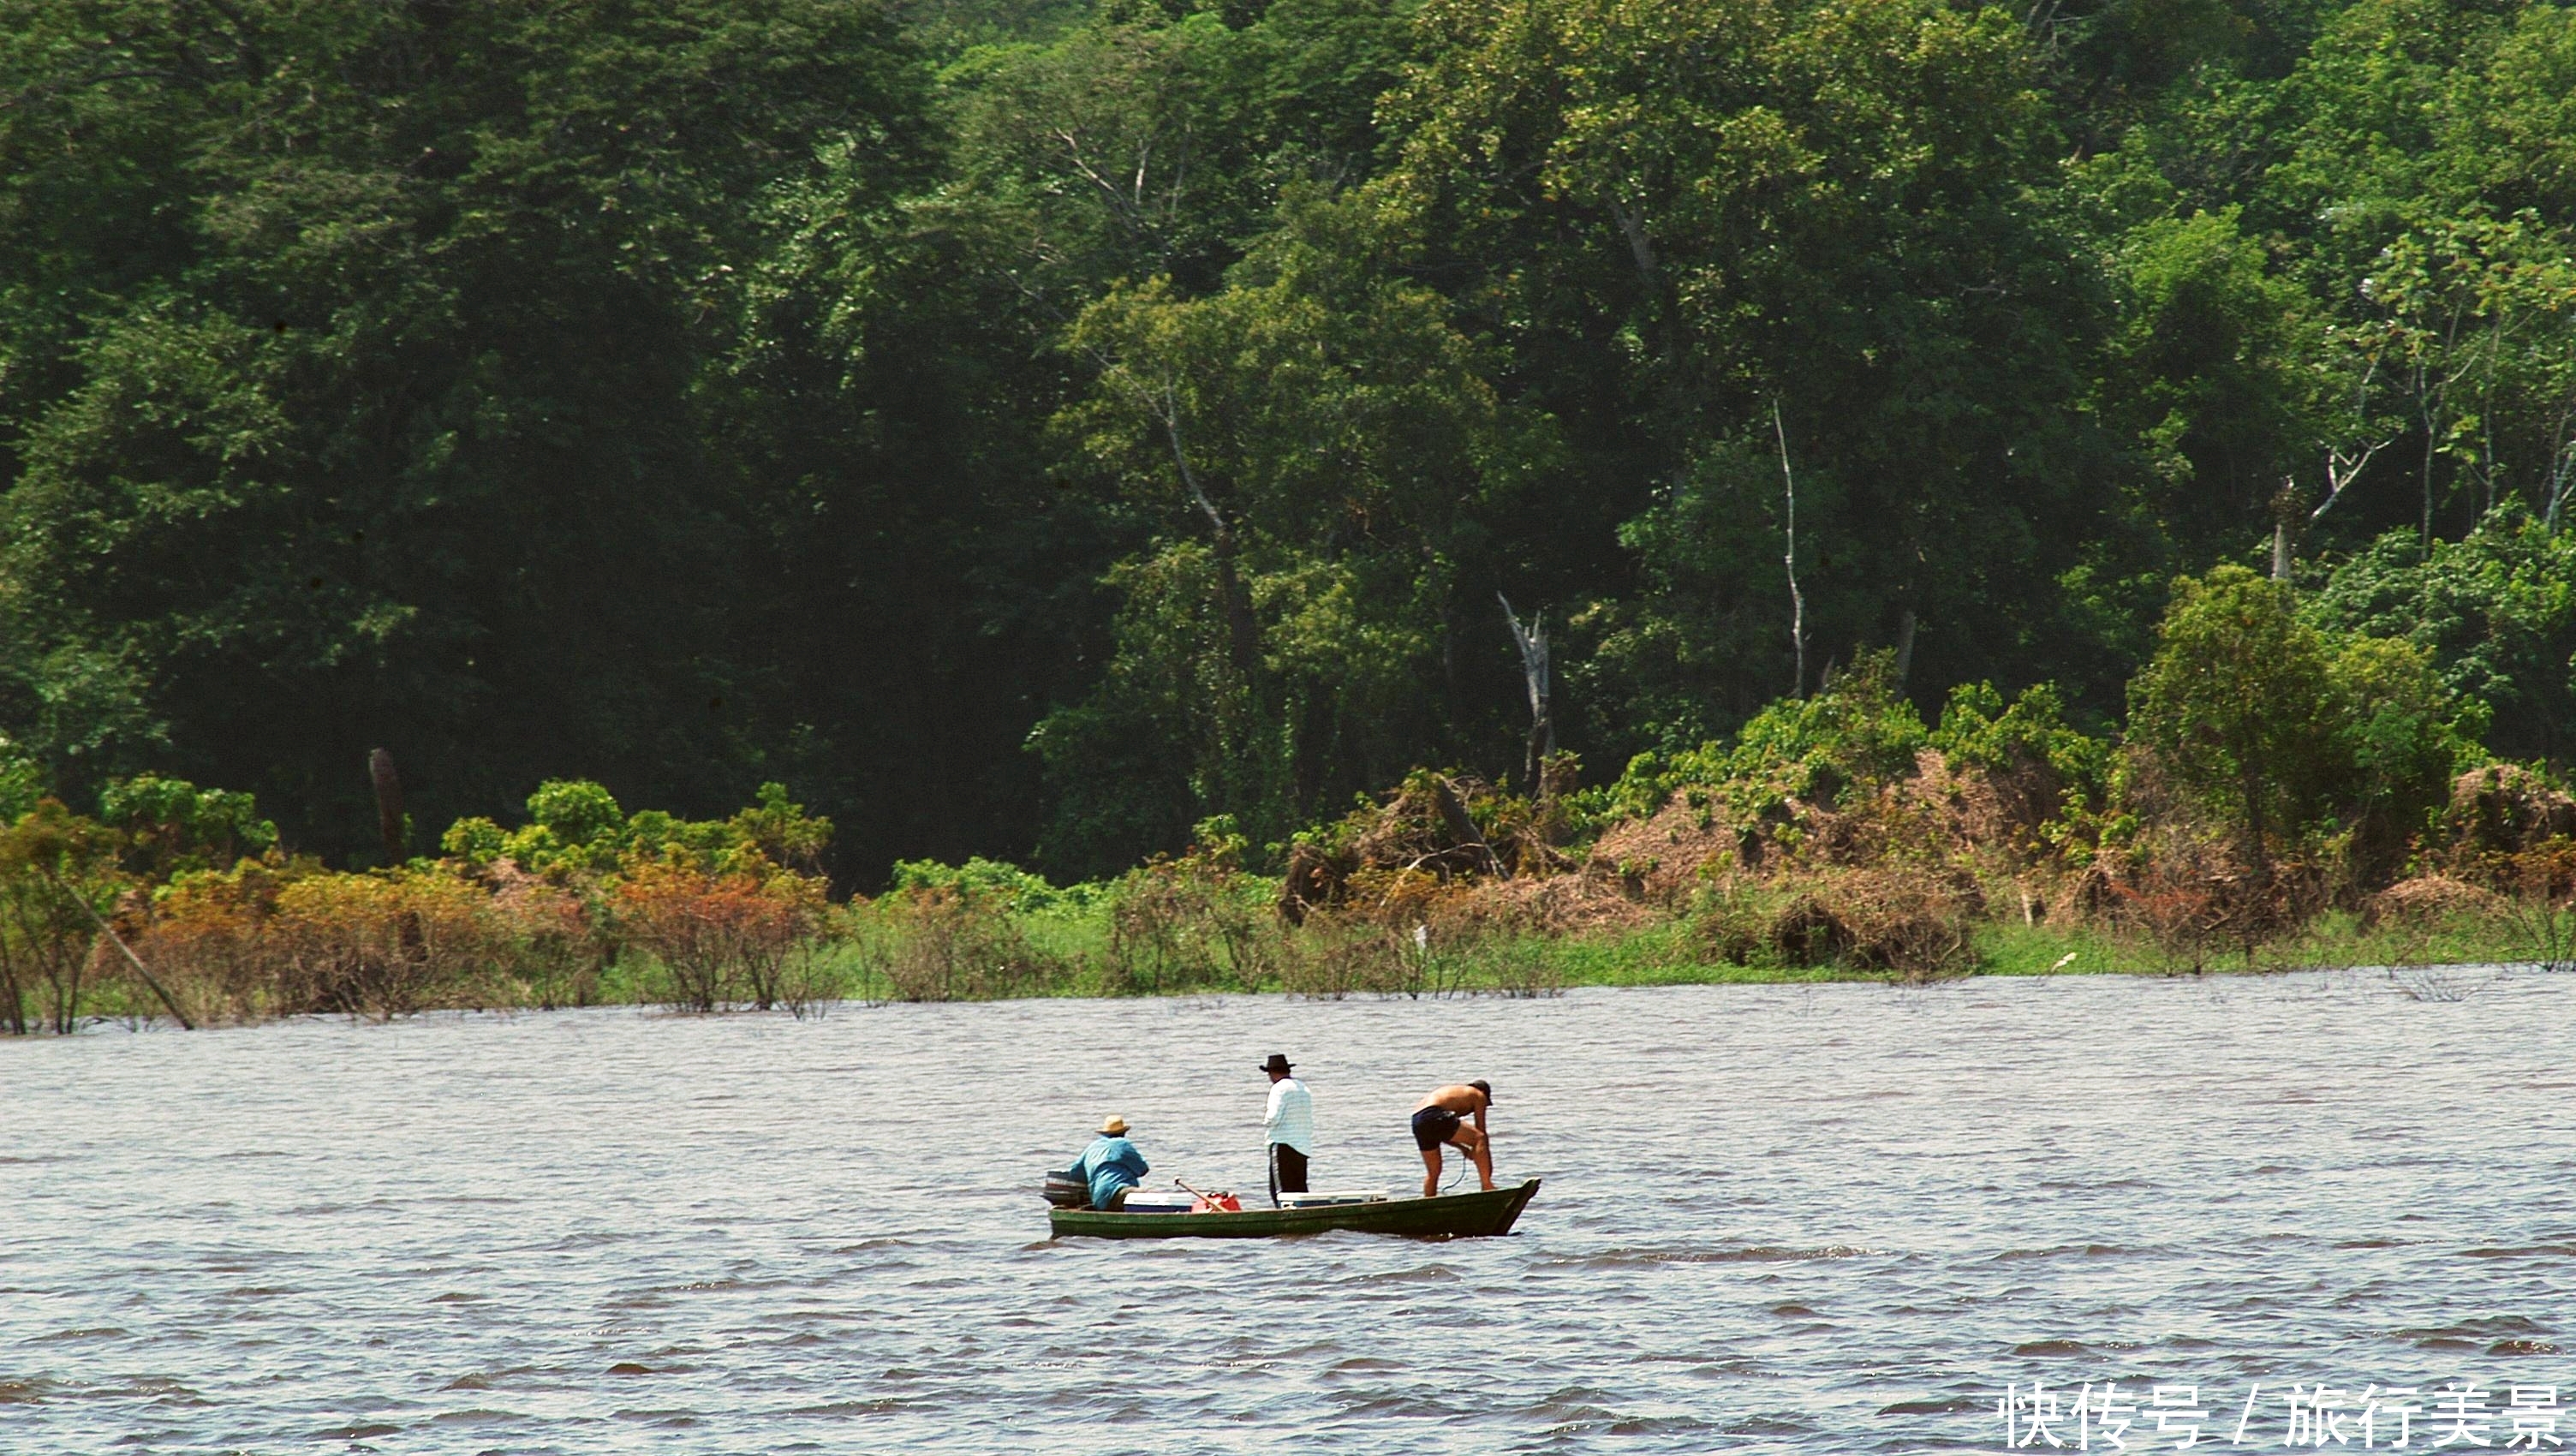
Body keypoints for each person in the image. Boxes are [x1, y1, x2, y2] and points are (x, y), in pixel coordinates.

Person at [1410, 1081, 1494, 1197]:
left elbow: (1442, 1132)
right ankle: (1487, 1187)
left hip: (1417, 1120)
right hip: (1433, 1114)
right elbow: (1481, 1132)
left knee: (1434, 1171)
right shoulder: (1478, 1095)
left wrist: (1463, 1148)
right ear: (1484, 1092)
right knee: (1479, 1138)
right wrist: (1487, 1162)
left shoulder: (1456, 1094)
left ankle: (1429, 1201)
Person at [1259, 1053, 1314, 1205]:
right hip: (1302, 1146)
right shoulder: (1303, 1088)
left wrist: (1265, 1123)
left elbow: (1273, 1117)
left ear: (1272, 1072)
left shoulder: (1278, 1088)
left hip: (1282, 1144)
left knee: (1279, 1191)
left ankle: (1283, 1220)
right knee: (1299, 1189)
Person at [1070, 1116, 1148, 1210]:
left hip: (1099, 1200)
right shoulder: (1122, 1143)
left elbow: (1075, 1173)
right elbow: (1143, 1169)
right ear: (1123, 1132)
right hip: (1118, 1192)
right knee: (1152, 1196)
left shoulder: (1092, 1146)